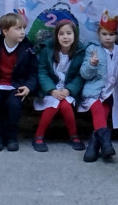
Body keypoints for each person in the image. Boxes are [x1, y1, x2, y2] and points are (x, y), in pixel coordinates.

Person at [0, 11, 38, 153]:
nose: (22, 32)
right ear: (5, 31)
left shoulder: (27, 49)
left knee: (13, 104)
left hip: (17, 85)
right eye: (18, 28)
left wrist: (28, 87)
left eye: (23, 28)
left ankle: (12, 137)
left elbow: (34, 72)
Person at [32, 20, 86, 152]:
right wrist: (51, 90)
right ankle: (38, 136)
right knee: (53, 105)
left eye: (69, 33)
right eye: (61, 34)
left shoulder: (80, 52)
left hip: (67, 89)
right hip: (51, 89)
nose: (65, 37)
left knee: (65, 106)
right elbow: (43, 72)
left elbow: (79, 75)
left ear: (75, 35)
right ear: (56, 36)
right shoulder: (47, 50)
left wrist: (69, 90)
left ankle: (73, 135)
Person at [79, 11, 118, 162]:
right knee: (97, 109)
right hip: (94, 91)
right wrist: (92, 64)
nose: (108, 37)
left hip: (112, 93)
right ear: (99, 35)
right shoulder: (92, 50)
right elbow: (84, 74)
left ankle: (93, 147)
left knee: (102, 115)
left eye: (111, 34)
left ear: (116, 36)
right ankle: (106, 144)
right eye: (104, 34)